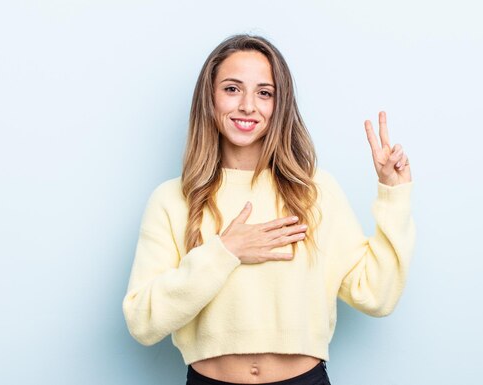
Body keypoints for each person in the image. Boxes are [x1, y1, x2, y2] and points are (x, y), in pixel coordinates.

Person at [122, 34, 414, 385]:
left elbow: (376, 295)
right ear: (209, 98)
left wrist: (393, 194)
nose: (248, 106)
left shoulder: (315, 191)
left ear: (280, 104)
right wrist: (226, 251)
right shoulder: (172, 199)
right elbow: (142, 321)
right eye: (232, 89)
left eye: (264, 93)